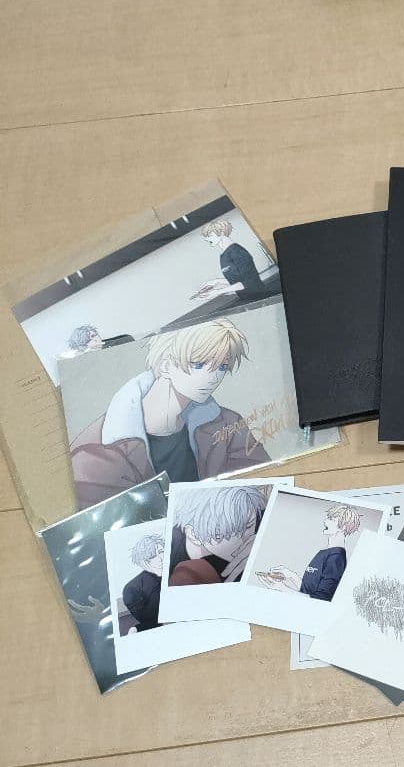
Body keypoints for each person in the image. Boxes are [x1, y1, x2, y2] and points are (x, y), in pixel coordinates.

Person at [68, 319, 271, 509]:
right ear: (165, 366)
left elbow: (265, 488)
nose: (213, 377)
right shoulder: (95, 452)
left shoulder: (227, 423)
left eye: (222, 367)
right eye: (198, 364)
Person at [256, 504, 363, 601]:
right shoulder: (324, 553)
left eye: (331, 519)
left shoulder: (336, 557)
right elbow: (308, 590)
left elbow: (321, 599)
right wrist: (291, 575)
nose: (325, 521)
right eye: (327, 517)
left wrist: (281, 588)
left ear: (343, 527)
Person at [169, 485, 268, 585]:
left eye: (248, 525)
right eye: (224, 535)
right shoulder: (169, 556)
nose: (242, 541)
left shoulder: (254, 512)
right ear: (193, 535)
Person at [191, 219, 267, 303]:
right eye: (206, 236)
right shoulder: (223, 256)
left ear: (221, 233)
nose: (207, 239)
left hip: (261, 297)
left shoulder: (237, 252)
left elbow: (249, 282)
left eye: (210, 235)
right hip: (248, 299)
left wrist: (217, 292)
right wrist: (216, 282)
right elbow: (237, 280)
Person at [122, 533, 165, 633]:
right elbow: (151, 621)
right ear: (144, 562)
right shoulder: (132, 589)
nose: (160, 558)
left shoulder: (178, 570)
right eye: (152, 556)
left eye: (161, 551)